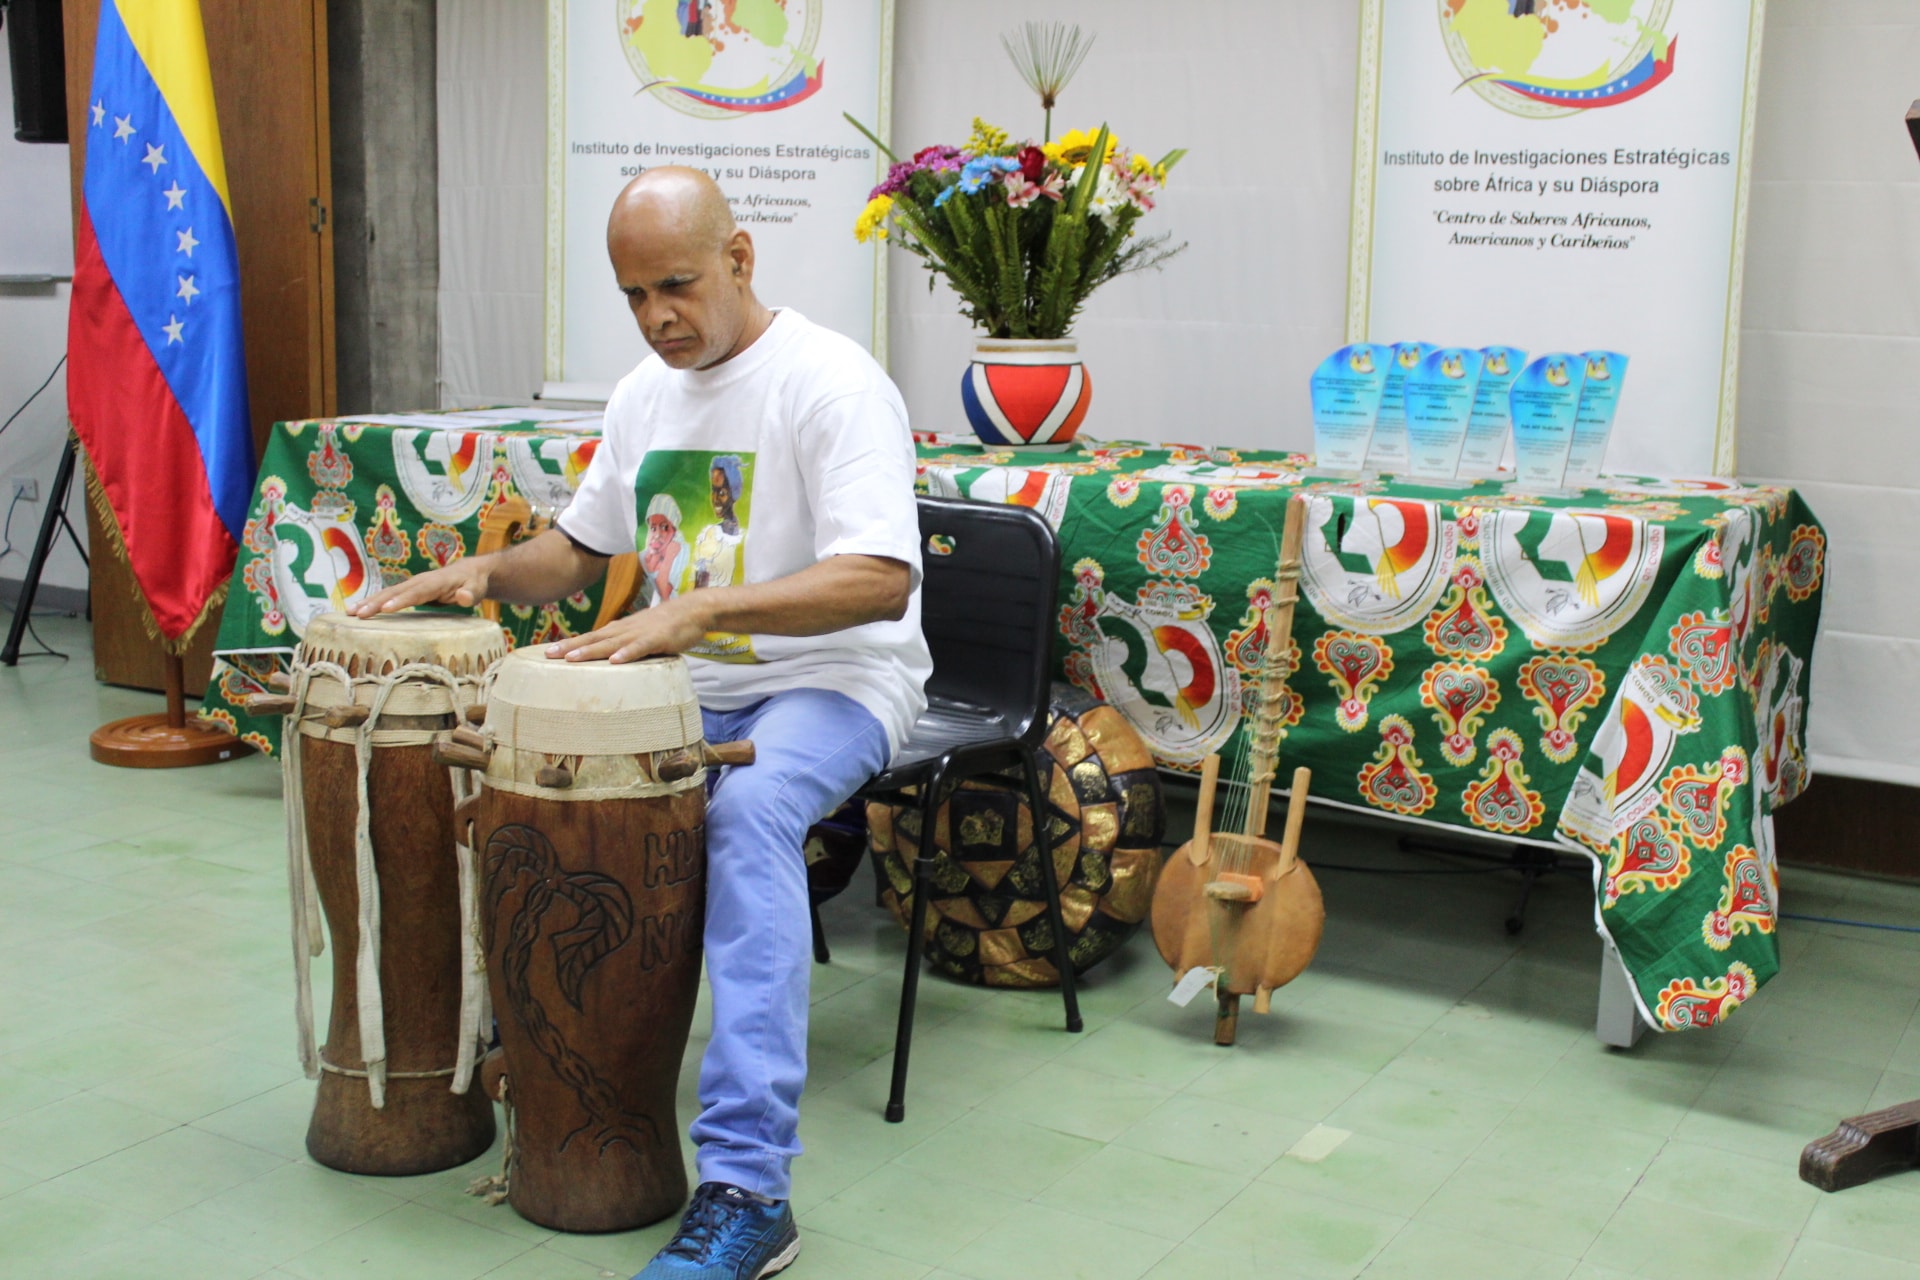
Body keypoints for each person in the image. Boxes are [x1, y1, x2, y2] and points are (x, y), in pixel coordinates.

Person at [353, 165, 929, 1280]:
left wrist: (701, 606)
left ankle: (749, 1187)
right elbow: (579, 548)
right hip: (692, 683)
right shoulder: (643, 394)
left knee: (749, 809)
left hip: (834, 681)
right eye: (633, 295)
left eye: (677, 284)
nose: (658, 317)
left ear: (739, 259)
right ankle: (539, 1070)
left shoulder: (831, 382)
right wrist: (481, 569)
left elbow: (880, 579)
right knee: (535, 780)